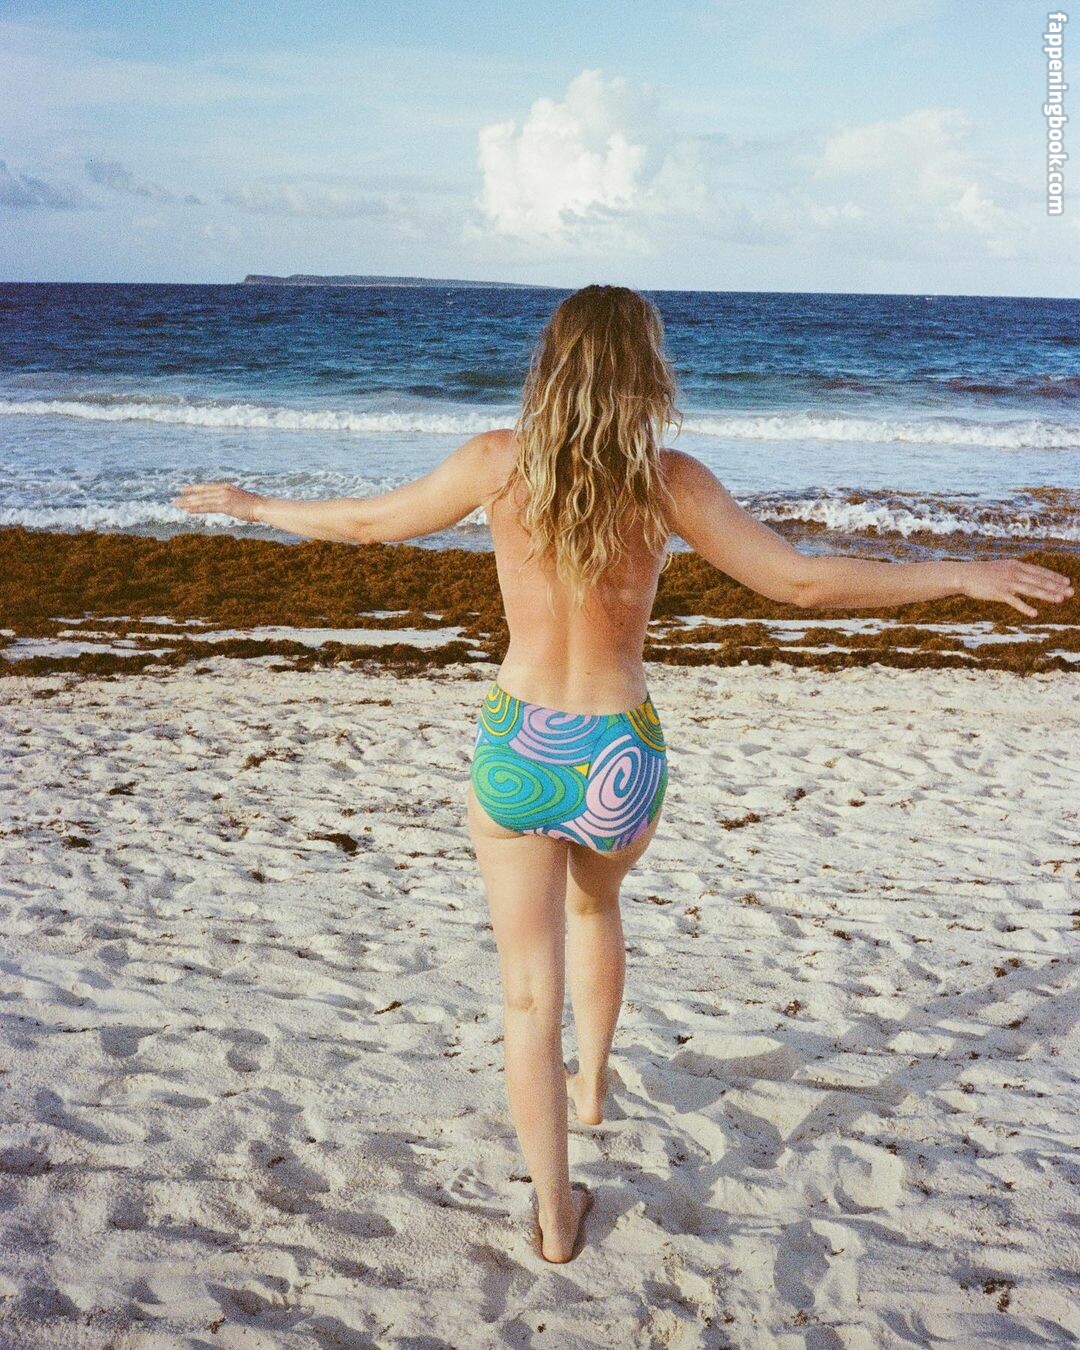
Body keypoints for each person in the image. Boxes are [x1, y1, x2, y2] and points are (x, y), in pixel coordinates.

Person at [174, 283, 1072, 1263]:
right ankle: (594, 1090)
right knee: (597, 907)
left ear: (549, 367)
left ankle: (556, 1216)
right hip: (619, 755)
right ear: (649, 373)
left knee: (527, 993)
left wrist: (252, 505)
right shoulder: (669, 481)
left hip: (520, 748)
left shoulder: (498, 462)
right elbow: (801, 581)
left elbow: (364, 525)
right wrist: (958, 573)